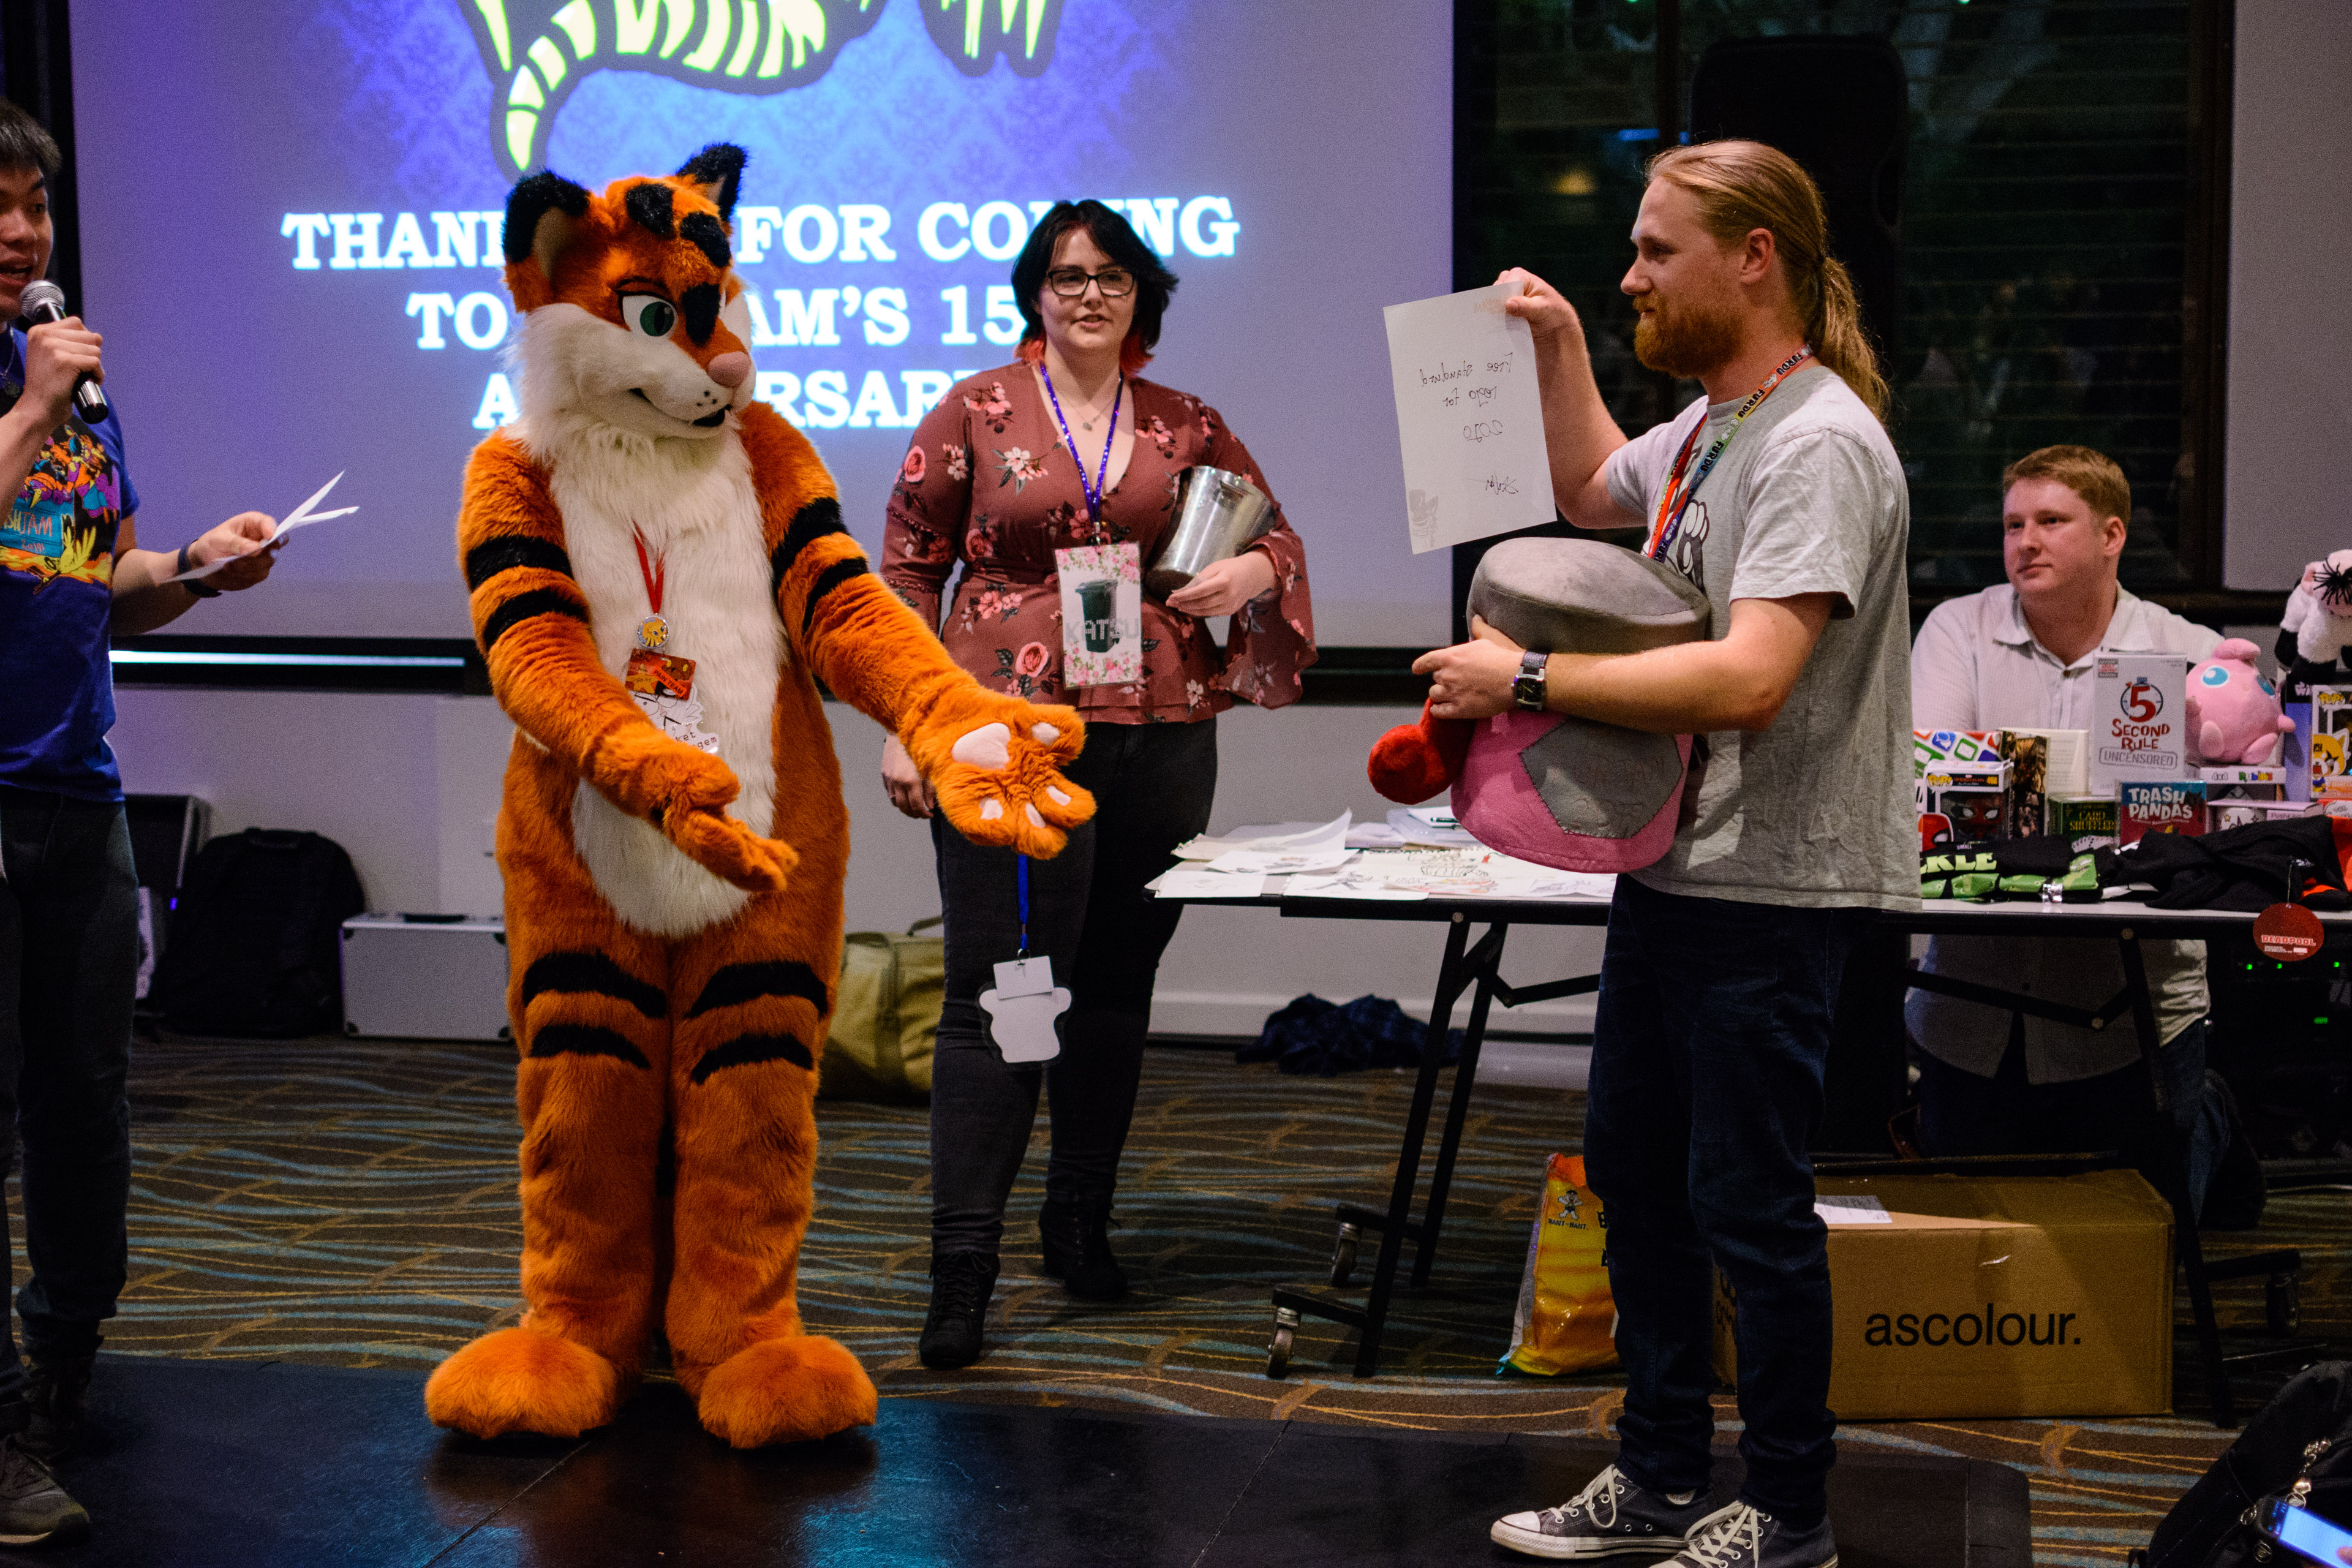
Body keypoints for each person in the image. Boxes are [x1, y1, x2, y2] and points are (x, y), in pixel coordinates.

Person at [1415, 142, 1913, 1568]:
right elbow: (1587, 486)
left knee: (1746, 1204)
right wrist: (1560, 340)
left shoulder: (1816, 443)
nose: (1632, 275)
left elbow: (1750, 676)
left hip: (1771, 882)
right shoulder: (1713, 425)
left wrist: (1523, 677)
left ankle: (1790, 1508)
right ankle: (1655, 1475)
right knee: (1638, 1182)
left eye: (1654, 251)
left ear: (1754, 258)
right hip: (1683, 866)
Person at [878, 200, 1314, 1370]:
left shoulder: (1186, 420)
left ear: (1141, 297)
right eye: (1067, 276)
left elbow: (1277, 539)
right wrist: (906, 720)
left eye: (1111, 276)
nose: (1088, 295)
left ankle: (1078, 1223)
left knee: (1117, 984)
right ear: (1035, 292)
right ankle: (963, 1270)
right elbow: (907, 570)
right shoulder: (975, 409)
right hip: (1008, 735)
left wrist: (1243, 576)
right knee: (1001, 993)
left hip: (1160, 730)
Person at [0, 101, 282, 1544]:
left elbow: (94, 578)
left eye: (36, 206)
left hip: (77, 789)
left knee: (83, 1100)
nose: (21, 231)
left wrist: (198, 568)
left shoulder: (72, 391)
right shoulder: (42, 392)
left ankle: (63, 1355)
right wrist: (30, 409)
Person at [1908, 445, 2241, 1216]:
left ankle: (2212, 1120)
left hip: (2134, 1016)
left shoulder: (2188, 652)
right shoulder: (1958, 628)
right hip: (1971, 1011)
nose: (2025, 542)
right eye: (2013, 525)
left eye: (2052, 521)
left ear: (2112, 534)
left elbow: (2221, 815)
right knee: (1971, 1234)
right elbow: (1936, 787)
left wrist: (2022, 795)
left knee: (2142, 1241)